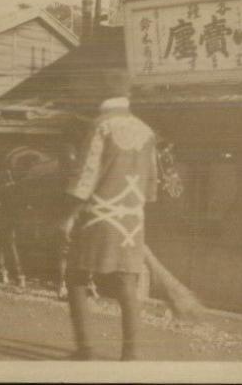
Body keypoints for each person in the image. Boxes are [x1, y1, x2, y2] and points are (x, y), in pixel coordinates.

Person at [60, 67, 159, 361]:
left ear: (102, 95)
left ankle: (85, 349)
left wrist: (69, 215)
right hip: (131, 220)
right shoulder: (147, 131)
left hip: (97, 217)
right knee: (126, 284)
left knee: (76, 276)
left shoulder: (100, 126)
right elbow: (152, 184)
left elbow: (86, 175)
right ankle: (131, 354)